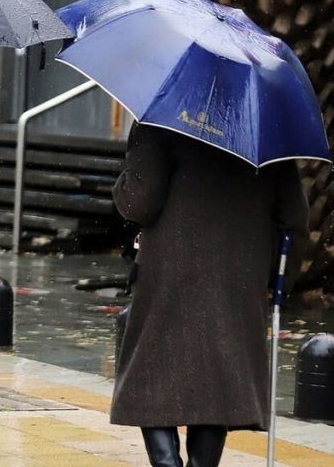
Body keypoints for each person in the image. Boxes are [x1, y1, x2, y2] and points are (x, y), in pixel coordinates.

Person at [111, 123, 309, 467]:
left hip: (170, 270)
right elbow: (295, 217)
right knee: (216, 379)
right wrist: (279, 283)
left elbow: (139, 203)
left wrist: (126, 174)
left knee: (151, 373)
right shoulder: (266, 129)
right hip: (241, 274)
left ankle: (166, 463)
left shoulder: (161, 121)